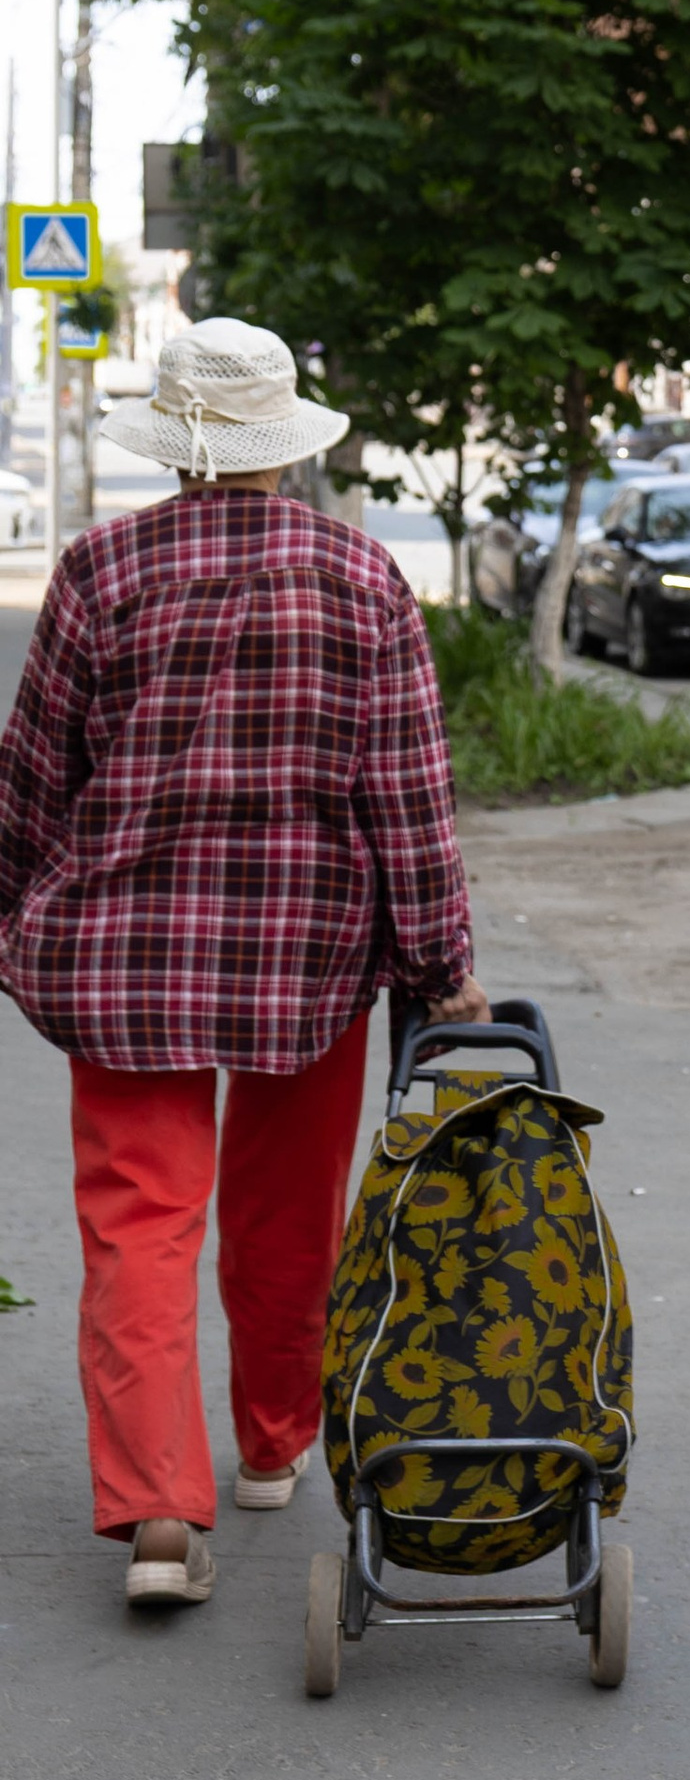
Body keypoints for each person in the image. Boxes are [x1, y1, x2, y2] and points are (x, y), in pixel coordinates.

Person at [0, 319, 487, 1610]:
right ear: (283, 450)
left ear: (173, 451)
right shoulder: (363, 581)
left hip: (125, 962)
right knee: (289, 1214)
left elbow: (33, 788)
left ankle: (161, 1517)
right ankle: (274, 1444)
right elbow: (410, 803)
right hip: (307, 960)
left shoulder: (99, 574)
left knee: (138, 1230)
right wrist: (443, 965)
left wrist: (13, 919)